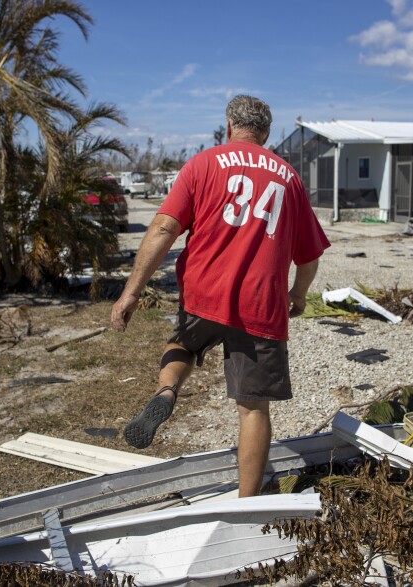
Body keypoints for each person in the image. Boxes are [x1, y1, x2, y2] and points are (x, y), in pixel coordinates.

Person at [110, 95, 330, 498]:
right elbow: (311, 254)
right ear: (266, 133)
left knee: (181, 345)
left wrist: (131, 292)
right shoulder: (289, 178)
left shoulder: (203, 164)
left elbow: (163, 229)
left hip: (203, 297)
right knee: (252, 409)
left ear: (229, 126)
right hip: (261, 307)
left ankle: (166, 391)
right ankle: (247, 505)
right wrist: (298, 294)